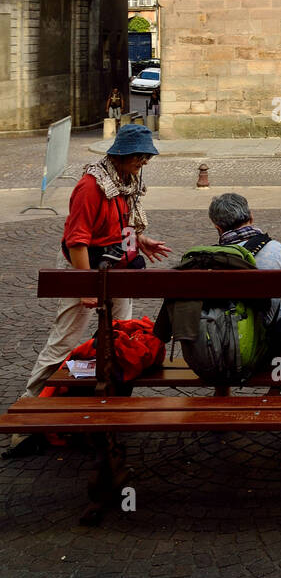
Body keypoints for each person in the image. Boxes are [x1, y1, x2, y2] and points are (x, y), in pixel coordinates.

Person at [6, 123, 171, 455]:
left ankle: (103, 404)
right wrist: (84, 285)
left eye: (146, 158)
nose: (144, 164)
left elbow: (123, 225)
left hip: (114, 267)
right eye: (140, 158)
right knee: (65, 339)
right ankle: (30, 409)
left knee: (115, 333)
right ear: (122, 155)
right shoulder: (90, 187)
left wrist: (138, 241)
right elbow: (77, 240)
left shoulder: (126, 182)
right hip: (84, 266)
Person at [208, 192, 281, 358]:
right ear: (251, 217)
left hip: (224, 347)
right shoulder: (278, 250)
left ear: (218, 228)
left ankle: (223, 384)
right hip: (269, 345)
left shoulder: (209, 259)